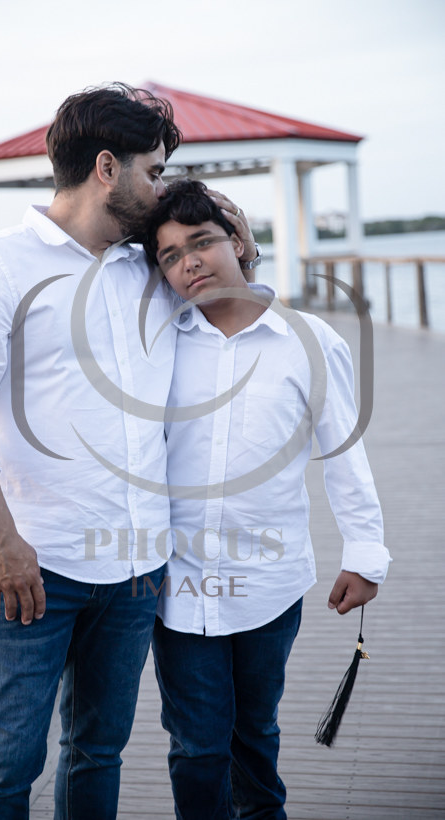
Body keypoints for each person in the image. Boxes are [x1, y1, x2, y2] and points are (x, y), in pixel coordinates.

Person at [0, 86, 258, 819]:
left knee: (97, 750)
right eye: (154, 171)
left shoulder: (150, 269)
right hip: (34, 565)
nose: (161, 187)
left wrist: (237, 240)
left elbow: (238, 311)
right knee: (6, 766)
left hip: (138, 565)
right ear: (108, 168)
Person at [142, 179, 392, 820]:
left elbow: (344, 451)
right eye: (170, 255)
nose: (189, 262)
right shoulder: (161, 341)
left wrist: (365, 553)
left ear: (239, 243)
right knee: (197, 746)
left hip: (268, 580)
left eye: (202, 242)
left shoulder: (310, 340)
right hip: (179, 582)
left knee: (254, 734)